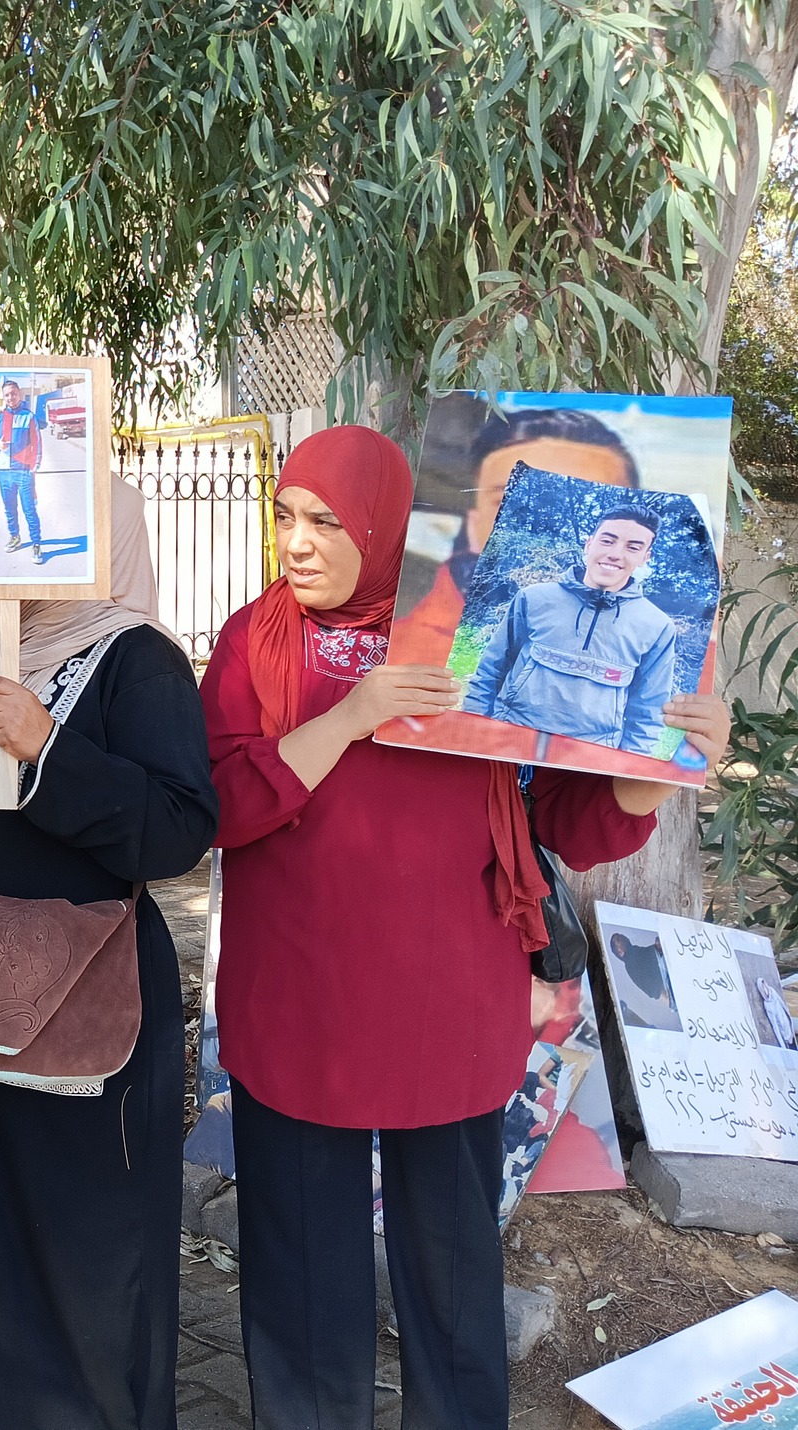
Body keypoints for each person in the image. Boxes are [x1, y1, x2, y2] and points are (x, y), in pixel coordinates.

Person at [201, 425, 729, 1428]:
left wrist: (658, 765)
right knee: (301, 1264)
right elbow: (218, 805)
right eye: (285, 516)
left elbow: (563, 819)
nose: (297, 542)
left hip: (444, 1001)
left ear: (382, 526)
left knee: (449, 1270)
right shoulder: (254, 643)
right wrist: (348, 717)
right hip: (298, 999)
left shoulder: (469, 634)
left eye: (326, 522)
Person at [0, 476, 218, 1430]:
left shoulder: (138, 659)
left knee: (77, 1259)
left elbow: (178, 829)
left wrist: (49, 749)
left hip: (82, 1002)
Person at [391, 406, 639, 664]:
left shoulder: (655, 656)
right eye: (515, 504)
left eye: (586, 506)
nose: (544, 529)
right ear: (474, 525)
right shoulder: (407, 658)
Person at [463, 506, 678, 753]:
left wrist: (625, 766)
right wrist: (472, 730)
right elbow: (490, 672)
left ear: (645, 558)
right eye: (607, 541)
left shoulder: (657, 626)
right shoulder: (533, 598)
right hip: (507, 741)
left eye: (633, 547)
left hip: (590, 758)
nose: (615, 554)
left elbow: (648, 711)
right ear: (589, 544)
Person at [0, 379, 49, 558]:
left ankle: (36, 543)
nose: (11, 397)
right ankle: (15, 537)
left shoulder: (29, 416)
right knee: (10, 509)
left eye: (13, 393)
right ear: (3, 397)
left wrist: (34, 467)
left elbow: (37, 443)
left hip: (23, 471)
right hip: (4, 472)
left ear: (19, 394)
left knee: (29, 510)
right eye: (7, 395)